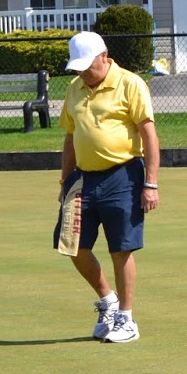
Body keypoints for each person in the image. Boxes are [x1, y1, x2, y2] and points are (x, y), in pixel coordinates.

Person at [57, 30, 160, 343]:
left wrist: (151, 183)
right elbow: (70, 137)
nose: (83, 72)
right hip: (82, 178)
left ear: (104, 56)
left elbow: (148, 134)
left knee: (121, 247)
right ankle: (108, 300)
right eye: (78, 67)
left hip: (123, 174)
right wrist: (65, 180)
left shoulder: (130, 83)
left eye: (88, 65)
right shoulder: (75, 88)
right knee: (72, 244)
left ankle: (126, 319)